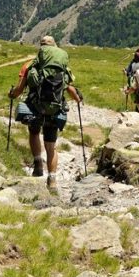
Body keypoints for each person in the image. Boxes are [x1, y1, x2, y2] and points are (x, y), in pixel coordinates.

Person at [9, 36, 82, 190]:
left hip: (35, 108)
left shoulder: (29, 65)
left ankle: (38, 165)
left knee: (34, 133)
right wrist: (78, 99)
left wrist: (12, 94)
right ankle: (52, 180)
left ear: (41, 48)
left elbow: (19, 90)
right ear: (54, 47)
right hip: (54, 110)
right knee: (51, 145)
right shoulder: (62, 68)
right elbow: (69, 88)